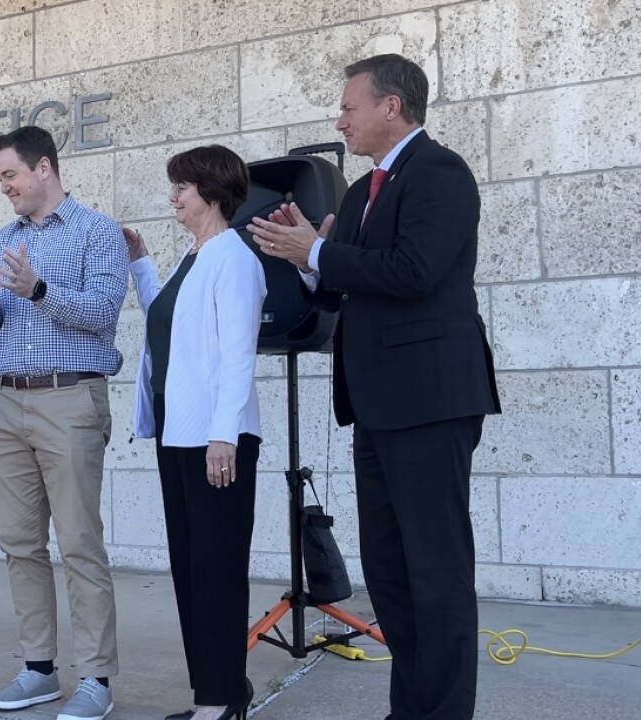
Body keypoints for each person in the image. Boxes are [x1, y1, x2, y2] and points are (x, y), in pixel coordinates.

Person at [248, 54, 501, 720]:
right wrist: (307, 261)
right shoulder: (361, 193)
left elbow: (413, 270)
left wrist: (321, 252)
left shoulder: (441, 174)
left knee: (436, 574)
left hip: (430, 401)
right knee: (390, 576)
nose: (340, 120)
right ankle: (409, 710)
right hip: (375, 406)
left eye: (349, 107)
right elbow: (342, 281)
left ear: (392, 107)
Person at [0, 125, 128, 720]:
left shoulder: (97, 233)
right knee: (19, 543)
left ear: (44, 168)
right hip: (5, 402)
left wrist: (37, 290)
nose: (3, 186)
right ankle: (38, 669)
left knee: (80, 543)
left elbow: (102, 313)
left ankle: (96, 680)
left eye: (10, 174)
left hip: (69, 400)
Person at [123, 145, 264, 720]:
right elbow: (168, 323)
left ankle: (221, 698)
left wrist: (223, 436)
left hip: (217, 438)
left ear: (211, 190)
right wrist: (141, 264)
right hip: (179, 433)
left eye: (182, 186)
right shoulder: (194, 256)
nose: (173, 196)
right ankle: (217, 689)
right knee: (190, 565)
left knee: (217, 566)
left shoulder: (234, 258)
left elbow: (237, 357)